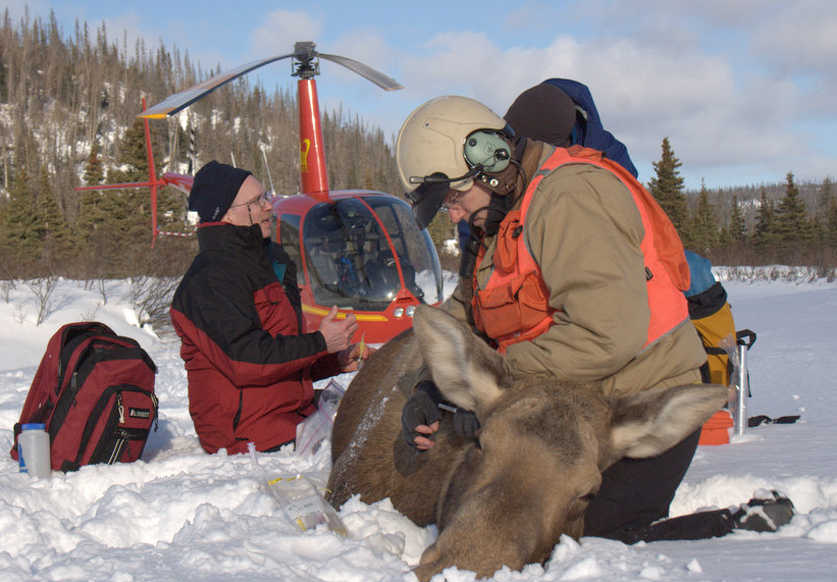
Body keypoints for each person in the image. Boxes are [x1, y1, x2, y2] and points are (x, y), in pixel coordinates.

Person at [394, 95, 793, 541]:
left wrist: (493, 381)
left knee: (578, 536)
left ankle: (734, 528)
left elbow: (605, 334)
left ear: (492, 158)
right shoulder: (498, 219)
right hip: (566, 406)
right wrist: (429, 384)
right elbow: (467, 309)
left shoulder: (570, 199)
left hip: (640, 405)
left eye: (453, 195)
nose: (452, 213)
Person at [170, 161, 367, 454]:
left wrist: (332, 358)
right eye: (256, 201)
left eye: (266, 196)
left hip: (291, 416)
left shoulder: (269, 262)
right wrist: (319, 342)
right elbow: (246, 362)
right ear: (225, 215)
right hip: (247, 438)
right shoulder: (210, 280)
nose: (268, 207)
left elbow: (279, 354)